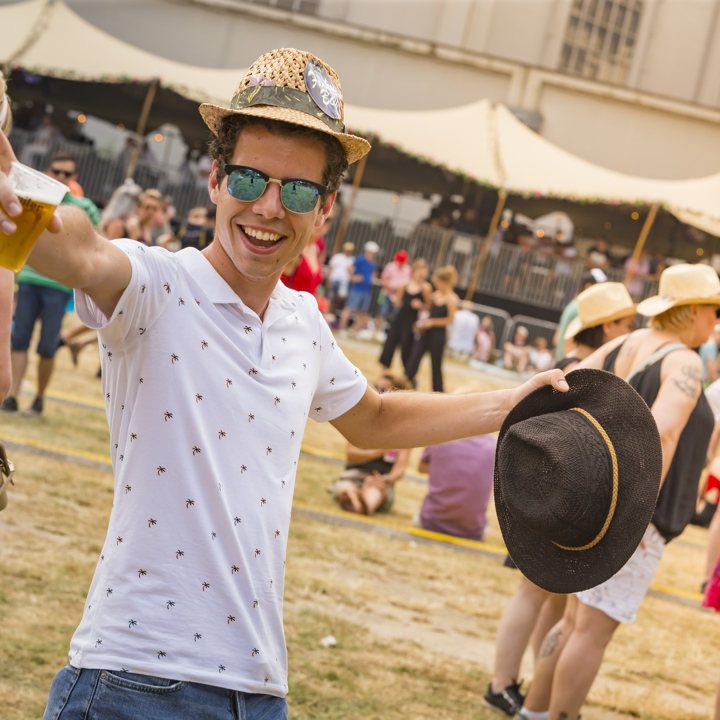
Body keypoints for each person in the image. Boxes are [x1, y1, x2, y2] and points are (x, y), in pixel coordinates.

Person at [0, 48, 569, 720]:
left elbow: (375, 420)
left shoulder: (304, 320)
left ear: (325, 210)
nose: (269, 208)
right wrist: (16, 186)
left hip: (258, 689)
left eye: (297, 191)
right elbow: (82, 250)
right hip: (134, 679)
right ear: (213, 180)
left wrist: (511, 403)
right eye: (248, 180)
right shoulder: (158, 286)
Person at [519, 263, 718, 720]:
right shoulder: (684, 361)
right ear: (689, 312)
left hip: (591, 502)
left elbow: (563, 384)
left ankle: (533, 712)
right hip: (632, 511)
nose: (716, 322)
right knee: (591, 631)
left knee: (572, 622)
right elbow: (662, 437)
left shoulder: (624, 343)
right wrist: (630, 516)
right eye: (713, 310)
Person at [484, 281, 637, 716]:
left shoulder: (572, 362)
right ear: (608, 327)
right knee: (534, 595)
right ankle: (504, 683)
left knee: (543, 598)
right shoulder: (581, 372)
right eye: (626, 324)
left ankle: (523, 685)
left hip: (546, 493)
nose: (631, 331)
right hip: (554, 497)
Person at [1, 152, 99, 416]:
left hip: (58, 286)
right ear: (48, 171)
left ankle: (40, 399)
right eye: (56, 171)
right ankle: (12, 397)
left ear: (74, 178)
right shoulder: (32, 197)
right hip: (31, 279)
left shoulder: (85, 206)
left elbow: (94, 243)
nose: (60, 176)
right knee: (19, 339)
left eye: (66, 174)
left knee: (47, 344)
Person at [415, 384, 496, 540]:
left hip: (431, 521)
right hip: (472, 530)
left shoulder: (439, 437)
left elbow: (422, 468)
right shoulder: (494, 446)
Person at [333, 373, 412, 515]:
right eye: (376, 387)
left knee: (375, 491)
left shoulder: (404, 431)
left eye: (384, 390)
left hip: (380, 481)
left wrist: (384, 481)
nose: (377, 392)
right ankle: (353, 499)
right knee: (346, 486)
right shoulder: (360, 420)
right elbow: (351, 455)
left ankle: (363, 506)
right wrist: (378, 452)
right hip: (353, 475)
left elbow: (399, 470)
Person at [405, 265, 459, 392]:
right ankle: (405, 384)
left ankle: (438, 392)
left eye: (438, 283)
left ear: (444, 282)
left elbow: (450, 320)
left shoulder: (452, 299)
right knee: (414, 358)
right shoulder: (434, 295)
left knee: (436, 365)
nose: (436, 285)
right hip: (426, 333)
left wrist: (432, 322)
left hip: (438, 335)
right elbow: (428, 310)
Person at [378, 258, 432, 373]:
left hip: (412, 319)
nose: (422, 275)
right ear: (414, 271)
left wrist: (420, 305)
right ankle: (385, 369)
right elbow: (397, 301)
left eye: (424, 272)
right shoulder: (405, 284)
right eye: (420, 272)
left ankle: (407, 372)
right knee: (390, 342)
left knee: (407, 345)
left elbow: (429, 307)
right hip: (400, 317)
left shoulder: (426, 287)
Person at [553, 271, 603, 363]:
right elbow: (571, 342)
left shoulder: (573, 305)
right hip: (569, 366)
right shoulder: (581, 308)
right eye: (599, 287)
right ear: (588, 286)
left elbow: (556, 339)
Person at [339, 240, 378, 333]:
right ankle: (342, 328)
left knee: (360, 312)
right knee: (349, 308)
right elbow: (348, 267)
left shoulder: (372, 263)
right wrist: (353, 277)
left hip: (366, 289)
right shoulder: (360, 259)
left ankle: (354, 330)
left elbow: (372, 273)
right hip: (357, 288)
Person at [377, 249, 411, 326]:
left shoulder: (408, 270)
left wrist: (399, 290)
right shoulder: (390, 266)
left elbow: (408, 283)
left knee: (396, 315)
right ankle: (376, 332)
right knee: (381, 313)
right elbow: (383, 279)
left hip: (399, 296)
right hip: (386, 294)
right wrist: (390, 287)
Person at [327, 241, 355, 315]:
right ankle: (328, 312)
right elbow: (330, 268)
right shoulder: (338, 256)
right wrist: (328, 279)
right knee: (331, 297)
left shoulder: (353, 259)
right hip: (334, 279)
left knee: (341, 296)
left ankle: (332, 310)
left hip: (345, 281)